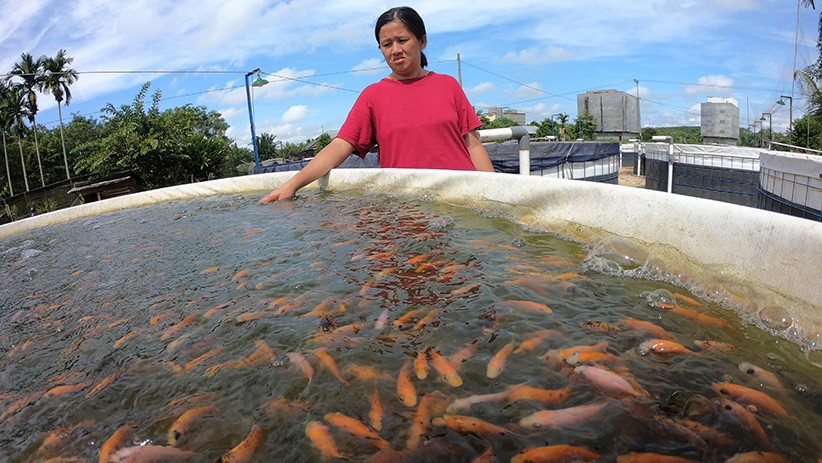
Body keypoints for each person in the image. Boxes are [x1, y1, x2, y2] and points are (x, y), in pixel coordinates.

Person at [259, 6, 494, 203]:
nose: (396, 50)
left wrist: (496, 192)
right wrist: (292, 185)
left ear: (422, 41)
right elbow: (340, 146)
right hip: (405, 203)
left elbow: (473, 146)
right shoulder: (373, 96)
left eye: (402, 40)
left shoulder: (448, 85)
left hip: (463, 200)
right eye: (386, 44)